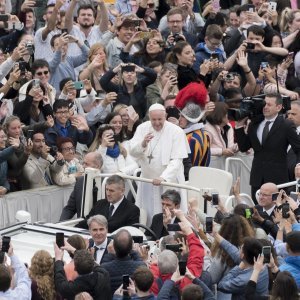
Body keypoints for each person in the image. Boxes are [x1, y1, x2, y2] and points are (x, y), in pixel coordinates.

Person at [129, 103, 190, 222]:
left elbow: (177, 160)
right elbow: (133, 152)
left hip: (169, 181)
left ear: (165, 116)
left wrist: (164, 177)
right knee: (148, 214)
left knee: (170, 215)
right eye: (153, 119)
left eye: (160, 119)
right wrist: (143, 144)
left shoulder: (176, 131)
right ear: (149, 117)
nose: (156, 123)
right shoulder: (142, 128)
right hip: (148, 180)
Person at [234, 93, 300, 200]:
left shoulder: (286, 125)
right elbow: (244, 147)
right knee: (258, 210)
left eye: (269, 104)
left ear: (278, 107)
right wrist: (239, 126)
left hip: (277, 179)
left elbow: (298, 148)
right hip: (257, 178)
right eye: (264, 104)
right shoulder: (254, 124)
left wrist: (299, 165)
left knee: (276, 211)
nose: (265, 107)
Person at [76, 175, 140, 232]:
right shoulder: (100, 204)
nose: (108, 194)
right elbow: (87, 222)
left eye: (112, 191)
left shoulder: (132, 210)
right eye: (107, 190)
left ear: (122, 191)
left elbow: (131, 234)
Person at [60, 151, 103, 220]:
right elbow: (70, 208)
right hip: (82, 226)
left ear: (97, 166)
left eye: (86, 164)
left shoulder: (107, 183)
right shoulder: (80, 181)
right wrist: (60, 224)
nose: (83, 166)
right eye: (83, 163)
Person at [101, 229, 146, 294]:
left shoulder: (104, 267)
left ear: (114, 246)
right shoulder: (141, 266)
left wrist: (110, 254)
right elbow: (141, 264)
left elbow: (102, 267)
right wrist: (134, 252)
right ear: (131, 247)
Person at [0, 125, 20, 194]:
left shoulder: (4, 156)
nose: (5, 139)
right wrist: (13, 147)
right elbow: (1, 156)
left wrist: (5, 188)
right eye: (1, 137)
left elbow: (4, 180)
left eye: (4, 136)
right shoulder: (4, 155)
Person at [287, 100, 300, 181]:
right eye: (288, 113)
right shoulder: (282, 131)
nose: (290, 117)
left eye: (293, 114)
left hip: (295, 182)